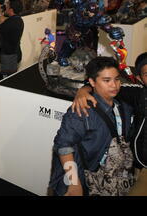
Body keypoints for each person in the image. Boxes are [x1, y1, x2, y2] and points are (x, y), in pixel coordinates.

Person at [49, 57, 133, 196]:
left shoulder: (123, 107)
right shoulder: (82, 110)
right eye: (106, 80)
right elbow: (63, 145)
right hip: (83, 180)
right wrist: (74, 182)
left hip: (111, 180)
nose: (114, 85)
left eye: (117, 79)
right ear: (93, 82)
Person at [72, 52, 147, 196]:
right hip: (140, 167)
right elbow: (107, 87)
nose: (114, 83)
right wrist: (83, 91)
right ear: (140, 78)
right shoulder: (138, 95)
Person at [0, 0, 24, 78]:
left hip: (8, 57)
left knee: (7, 81)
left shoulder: (9, 23)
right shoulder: (19, 20)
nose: (5, 9)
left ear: (11, 10)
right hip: (16, 53)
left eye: (7, 7)